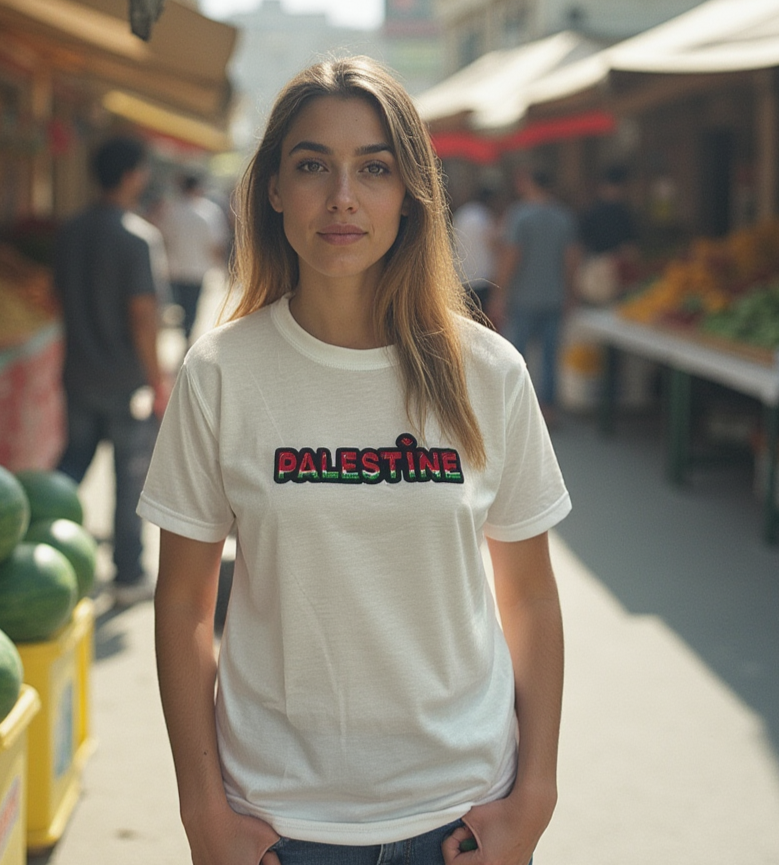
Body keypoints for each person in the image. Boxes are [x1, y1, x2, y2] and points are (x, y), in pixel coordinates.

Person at [138, 56, 570, 865]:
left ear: (410, 192)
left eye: (374, 167)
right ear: (272, 188)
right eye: (312, 166)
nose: (343, 197)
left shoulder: (487, 371)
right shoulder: (223, 372)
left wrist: (536, 793)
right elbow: (186, 603)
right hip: (278, 822)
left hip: (463, 814)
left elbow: (530, 593)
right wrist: (201, 812)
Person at [54, 134, 170, 608]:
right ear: (130, 174)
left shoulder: (69, 231)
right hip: (124, 380)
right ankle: (128, 573)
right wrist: (158, 380)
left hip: (78, 371)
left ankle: (41, 540)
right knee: (130, 480)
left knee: (71, 465)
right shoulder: (137, 237)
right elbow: (143, 317)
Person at [492, 166, 579, 426]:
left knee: (515, 356)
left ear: (529, 182)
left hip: (523, 298)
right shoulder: (564, 217)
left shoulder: (520, 216)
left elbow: (511, 256)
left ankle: (517, 411)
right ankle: (548, 410)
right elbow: (571, 259)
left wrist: (500, 293)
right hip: (554, 297)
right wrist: (570, 292)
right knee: (550, 358)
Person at [158, 173, 229, 345]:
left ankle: (186, 334)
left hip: (176, 268)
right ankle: (187, 334)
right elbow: (216, 243)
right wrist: (220, 266)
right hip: (198, 268)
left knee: (182, 305)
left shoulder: (172, 210)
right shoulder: (208, 212)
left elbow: (164, 239)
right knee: (193, 306)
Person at [576, 165, 638, 306]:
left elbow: (580, 245)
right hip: (615, 267)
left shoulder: (591, 212)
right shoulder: (624, 214)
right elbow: (630, 249)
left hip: (594, 267)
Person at [452, 184, 499, 317]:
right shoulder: (484, 217)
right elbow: (493, 244)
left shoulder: (462, 213)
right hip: (482, 279)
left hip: (463, 277)